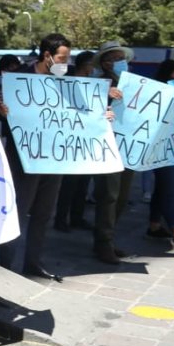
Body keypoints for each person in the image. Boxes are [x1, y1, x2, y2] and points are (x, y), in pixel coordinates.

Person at [0, 34, 69, 282]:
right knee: (17, 212)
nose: (66, 63)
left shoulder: (66, 82)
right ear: (47, 55)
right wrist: (1, 110)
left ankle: (33, 263)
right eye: (62, 58)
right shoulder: (18, 78)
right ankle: (5, 264)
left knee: (43, 213)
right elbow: (0, 110)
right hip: (24, 159)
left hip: (54, 158)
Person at [91, 41, 136, 264]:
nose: (120, 62)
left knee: (122, 197)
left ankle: (107, 238)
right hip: (107, 147)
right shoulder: (96, 84)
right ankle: (103, 243)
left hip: (128, 147)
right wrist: (104, 95)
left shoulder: (132, 83)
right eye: (115, 59)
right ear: (105, 63)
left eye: (122, 58)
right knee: (109, 196)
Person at [143, 60, 174, 250]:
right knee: (169, 189)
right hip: (163, 147)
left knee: (162, 188)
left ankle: (154, 226)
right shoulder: (155, 96)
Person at [55, 51, 96, 233]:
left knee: (83, 183)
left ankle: (77, 217)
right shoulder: (67, 79)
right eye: (91, 64)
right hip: (69, 137)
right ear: (83, 64)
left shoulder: (94, 84)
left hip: (87, 138)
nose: (93, 68)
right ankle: (60, 219)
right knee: (69, 184)